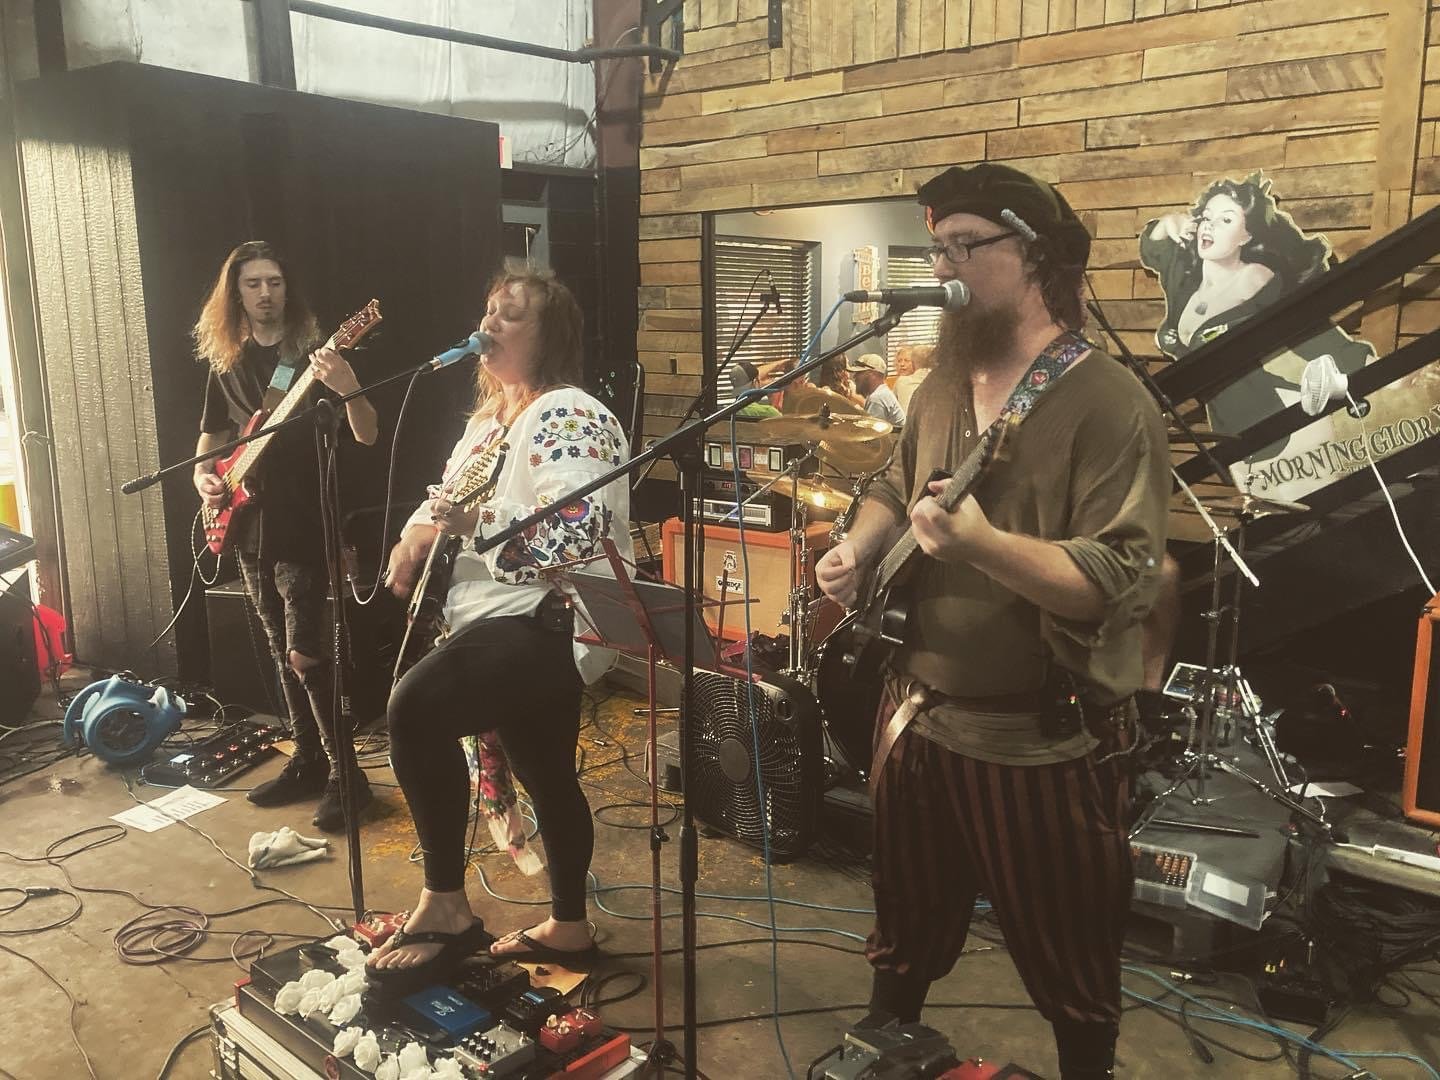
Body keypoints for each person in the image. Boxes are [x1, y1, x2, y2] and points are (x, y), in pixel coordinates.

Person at [815, 163, 1169, 1080]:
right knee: (904, 921)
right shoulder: (942, 383)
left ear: (1038, 254)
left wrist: (982, 546)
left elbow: (1114, 583)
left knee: (1070, 947)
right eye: (938, 248)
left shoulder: (1110, 403)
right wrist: (859, 547)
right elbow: (895, 483)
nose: (943, 267)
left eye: (965, 246)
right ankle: (883, 1049)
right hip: (916, 713)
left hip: (1039, 737)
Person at [366, 270, 631, 989]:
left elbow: (580, 529)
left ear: (549, 336)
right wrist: (412, 537)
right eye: (488, 310)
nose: (489, 324)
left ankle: (447, 905)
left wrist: (476, 525)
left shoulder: (570, 413)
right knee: (545, 770)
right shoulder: (488, 425)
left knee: (414, 710)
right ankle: (569, 927)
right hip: (500, 619)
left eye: (510, 315)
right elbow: (442, 500)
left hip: (549, 619)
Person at [192, 240, 378, 832]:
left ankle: (349, 777)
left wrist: (347, 382)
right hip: (249, 524)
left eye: (274, 282)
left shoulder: (313, 355)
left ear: (287, 288)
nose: (265, 293)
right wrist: (205, 477)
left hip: (303, 520)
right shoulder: (227, 362)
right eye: (253, 284)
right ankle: (309, 760)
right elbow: (212, 438)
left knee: (306, 653)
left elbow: (367, 433)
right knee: (280, 649)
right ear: (236, 293)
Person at [1140, 173, 1366, 453]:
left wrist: (1368, 369)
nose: (1210, 225)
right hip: (1233, 438)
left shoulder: (1258, 282)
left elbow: (1311, 332)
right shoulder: (1185, 279)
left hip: (1284, 431)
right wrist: (1168, 222)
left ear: (1246, 236)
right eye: (1207, 217)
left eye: (1226, 220)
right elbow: (1152, 249)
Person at [847, 353, 905, 427]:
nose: (854, 376)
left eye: (859, 373)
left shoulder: (877, 397)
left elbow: (871, 432)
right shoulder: (883, 392)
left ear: (872, 374)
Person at [893, 343, 934, 414]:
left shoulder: (902, 381)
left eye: (906, 360)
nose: (902, 364)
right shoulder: (899, 382)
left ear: (914, 362)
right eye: (899, 361)